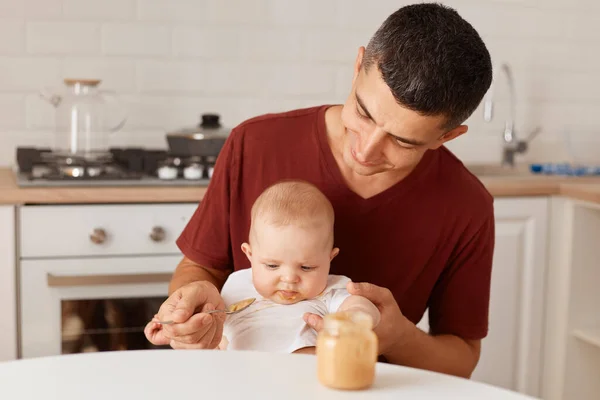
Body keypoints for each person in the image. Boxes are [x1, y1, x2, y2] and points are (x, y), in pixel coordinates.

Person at [144, 2, 494, 379]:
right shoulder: (255, 143)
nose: (366, 150)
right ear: (359, 65)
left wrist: (397, 337)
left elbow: (461, 358)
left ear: (448, 136)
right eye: (363, 112)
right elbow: (201, 267)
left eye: (402, 141)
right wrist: (192, 308)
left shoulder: (466, 205)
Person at [214, 180, 380, 353]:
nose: (289, 278)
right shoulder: (237, 284)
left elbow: (363, 307)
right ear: (250, 254)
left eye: (306, 267)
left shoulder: (329, 291)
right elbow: (218, 330)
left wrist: (352, 320)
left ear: (329, 258)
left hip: (303, 374)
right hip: (243, 372)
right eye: (272, 265)